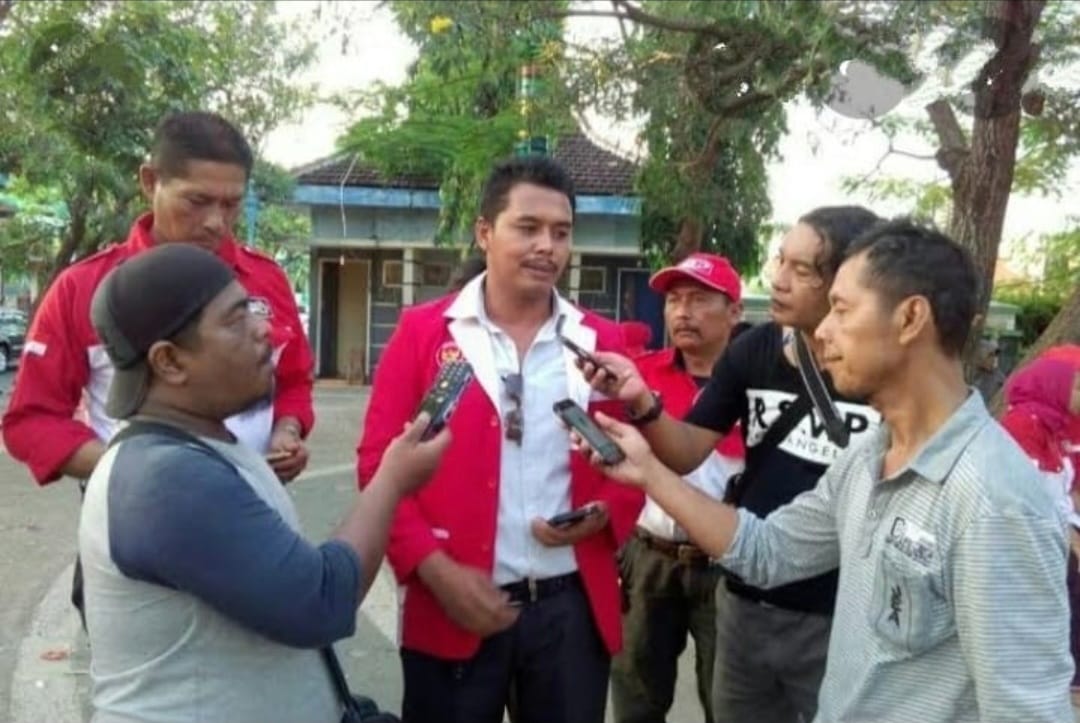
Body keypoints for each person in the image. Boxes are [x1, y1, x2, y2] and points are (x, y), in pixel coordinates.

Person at [578, 219, 1074, 722]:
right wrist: (648, 472)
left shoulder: (996, 501)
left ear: (910, 318)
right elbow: (766, 550)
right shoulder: (869, 458)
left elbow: (1028, 711)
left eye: (841, 309)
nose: (823, 331)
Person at [80, 243, 448, 722]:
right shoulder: (166, 478)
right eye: (236, 320)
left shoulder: (199, 444)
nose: (265, 330)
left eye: (254, 308)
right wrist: (391, 480)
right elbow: (320, 601)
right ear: (169, 361)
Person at [356, 156, 644, 723]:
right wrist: (433, 569)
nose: (547, 247)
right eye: (528, 228)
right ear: (485, 232)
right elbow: (376, 464)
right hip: (454, 598)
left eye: (561, 233)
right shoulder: (424, 333)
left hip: (569, 606)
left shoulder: (598, 341)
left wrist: (606, 511)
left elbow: (632, 458)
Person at [579, 206, 882, 722]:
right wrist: (643, 404)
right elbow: (685, 450)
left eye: (801, 269)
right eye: (780, 261)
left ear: (849, 279)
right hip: (746, 593)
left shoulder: (883, 369)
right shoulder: (755, 352)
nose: (778, 280)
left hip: (840, 610)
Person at [3, 110, 314, 487]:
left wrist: (287, 430)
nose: (216, 222)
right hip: (136, 506)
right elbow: (32, 420)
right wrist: (132, 468)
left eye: (231, 204)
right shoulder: (83, 289)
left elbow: (294, 381)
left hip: (256, 502)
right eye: (197, 201)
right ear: (150, 182)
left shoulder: (267, 280)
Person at [610, 253, 746, 723]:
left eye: (699, 299)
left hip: (729, 565)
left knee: (729, 703)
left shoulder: (760, 383)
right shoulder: (640, 376)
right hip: (649, 556)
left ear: (734, 312)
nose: (683, 312)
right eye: (674, 300)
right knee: (636, 699)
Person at [1000, 357, 1080, 701]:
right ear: (1056, 386)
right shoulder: (1024, 424)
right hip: (1027, 532)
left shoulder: (1064, 424)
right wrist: (1072, 539)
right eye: (1078, 387)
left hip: (1059, 525)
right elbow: (1031, 498)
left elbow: (1071, 490)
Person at [972, 338, 1006, 402]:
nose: (993, 359)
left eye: (994, 355)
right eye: (990, 355)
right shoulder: (971, 375)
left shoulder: (998, 376)